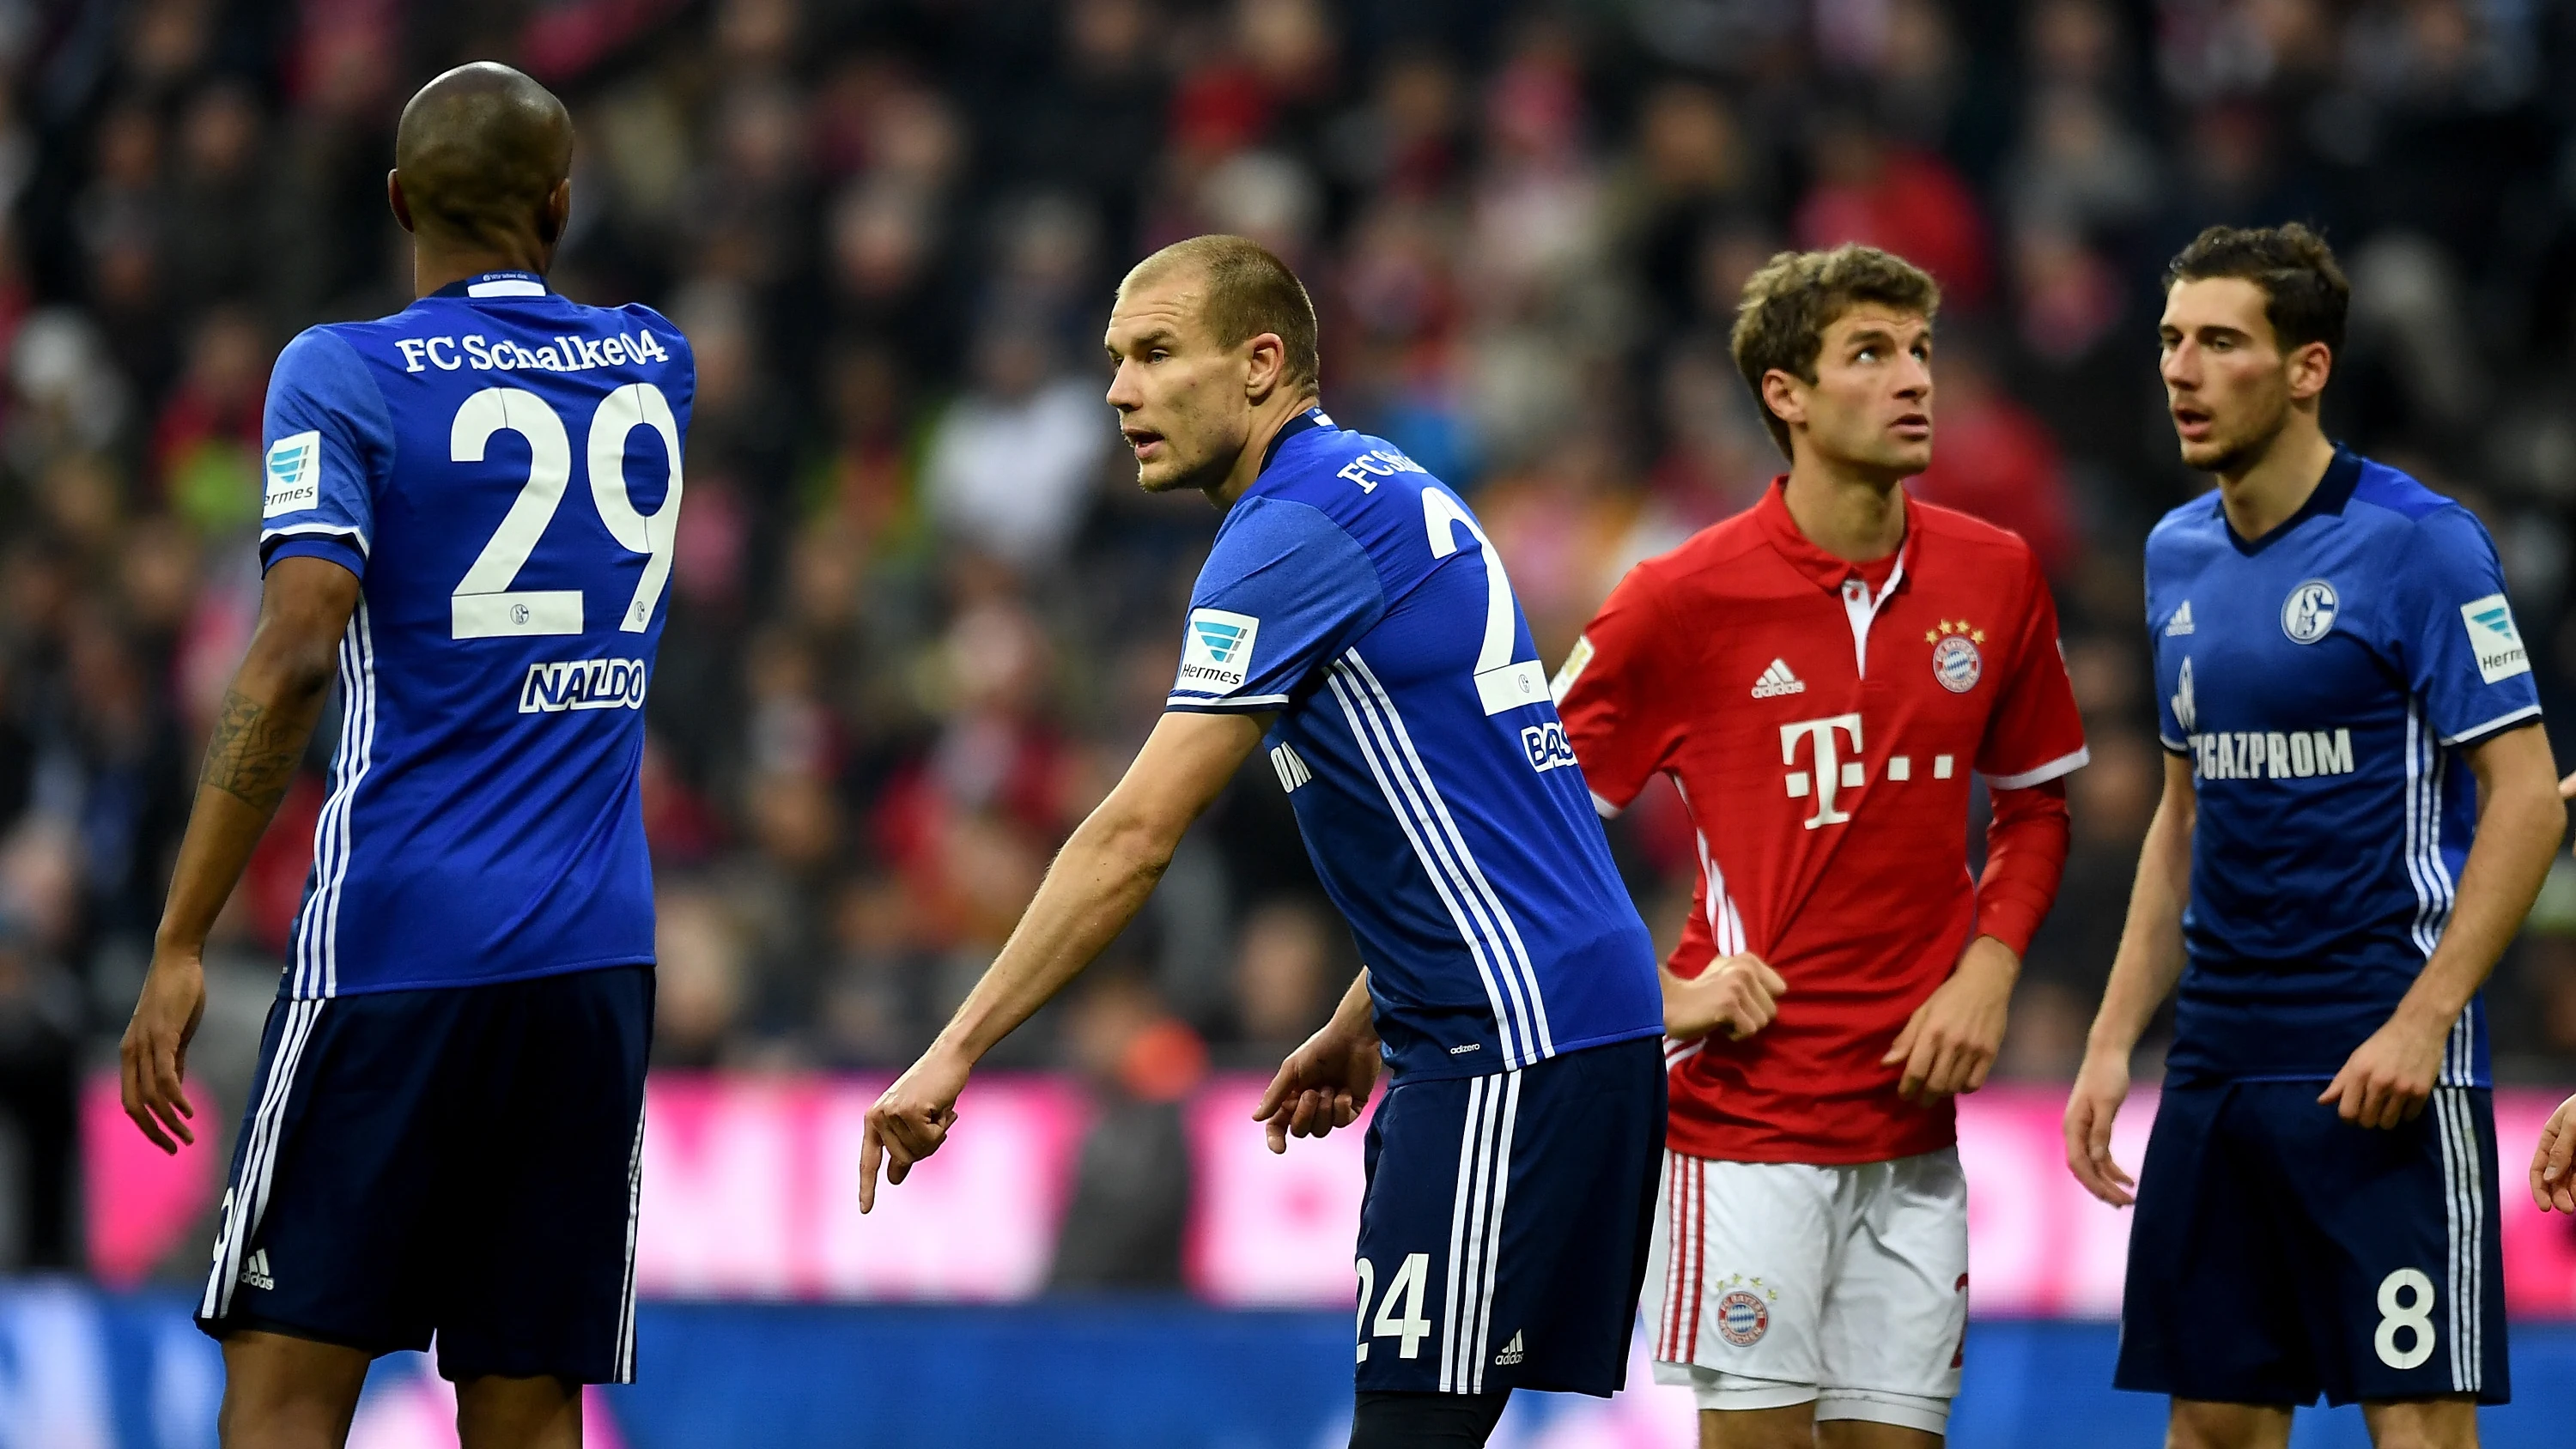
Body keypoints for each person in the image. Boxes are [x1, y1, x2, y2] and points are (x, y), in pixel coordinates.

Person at [859, 234, 1667, 1449]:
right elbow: (1489, 809)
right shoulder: (1380, 486)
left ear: (1261, 363)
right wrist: (1364, 1013)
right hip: (1514, 1019)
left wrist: (955, 1048)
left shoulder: (1286, 534)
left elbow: (1135, 833)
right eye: (1114, 360)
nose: (1121, 389)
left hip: (1514, 1041)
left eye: (1157, 353)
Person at [117, 64, 691, 1449]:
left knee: (283, 1385)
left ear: (394, 202)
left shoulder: (341, 373)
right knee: (524, 1395)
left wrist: (183, 935)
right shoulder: (653, 359)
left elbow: (298, 645)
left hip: (395, 949)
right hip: (594, 962)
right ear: (562, 203)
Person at [1553, 243, 2087, 1448]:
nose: (1913, 382)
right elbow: (1521, 826)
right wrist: (1657, 991)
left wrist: (1990, 970)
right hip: (1747, 1132)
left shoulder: (1995, 575)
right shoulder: (1677, 599)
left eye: (1920, 353)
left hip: (1913, 1127)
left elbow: (2038, 807)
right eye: (1870, 354)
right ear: (1785, 394)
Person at [2064, 223, 2563, 1449]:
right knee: (2214, 1425)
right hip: (2222, 1067)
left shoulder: (2420, 544)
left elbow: (2526, 795)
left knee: (2417, 1425)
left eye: (2221, 342)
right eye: (2173, 339)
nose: (2181, 369)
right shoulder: (2173, 554)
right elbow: (2183, 818)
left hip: (2378, 1058)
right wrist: (2113, 1037)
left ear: (2306, 369)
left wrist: (2423, 1020)